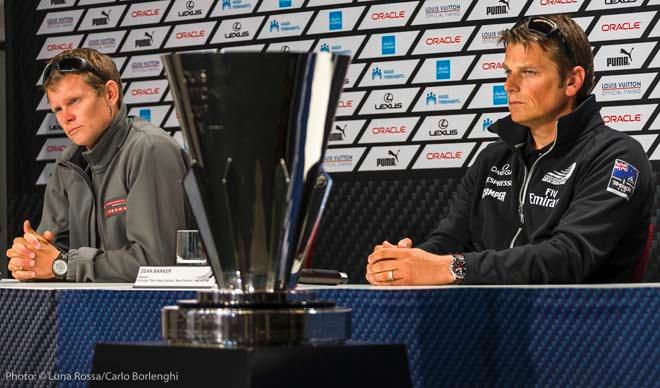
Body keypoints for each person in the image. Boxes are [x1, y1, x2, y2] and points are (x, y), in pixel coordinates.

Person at [366, 15, 654, 285]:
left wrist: (451, 268)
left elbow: (567, 258)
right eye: (508, 72)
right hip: (488, 322)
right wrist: (403, 264)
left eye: (528, 72)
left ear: (572, 81)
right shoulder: (493, 158)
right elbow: (447, 242)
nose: (509, 85)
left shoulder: (617, 157)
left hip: (580, 328)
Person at [5, 48, 188, 282]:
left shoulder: (150, 149)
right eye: (58, 109)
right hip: (89, 314)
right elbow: (52, 255)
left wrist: (62, 265)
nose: (65, 117)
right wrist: (30, 258)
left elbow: (157, 264)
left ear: (110, 93)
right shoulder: (68, 165)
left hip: (150, 315)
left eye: (74, 101)